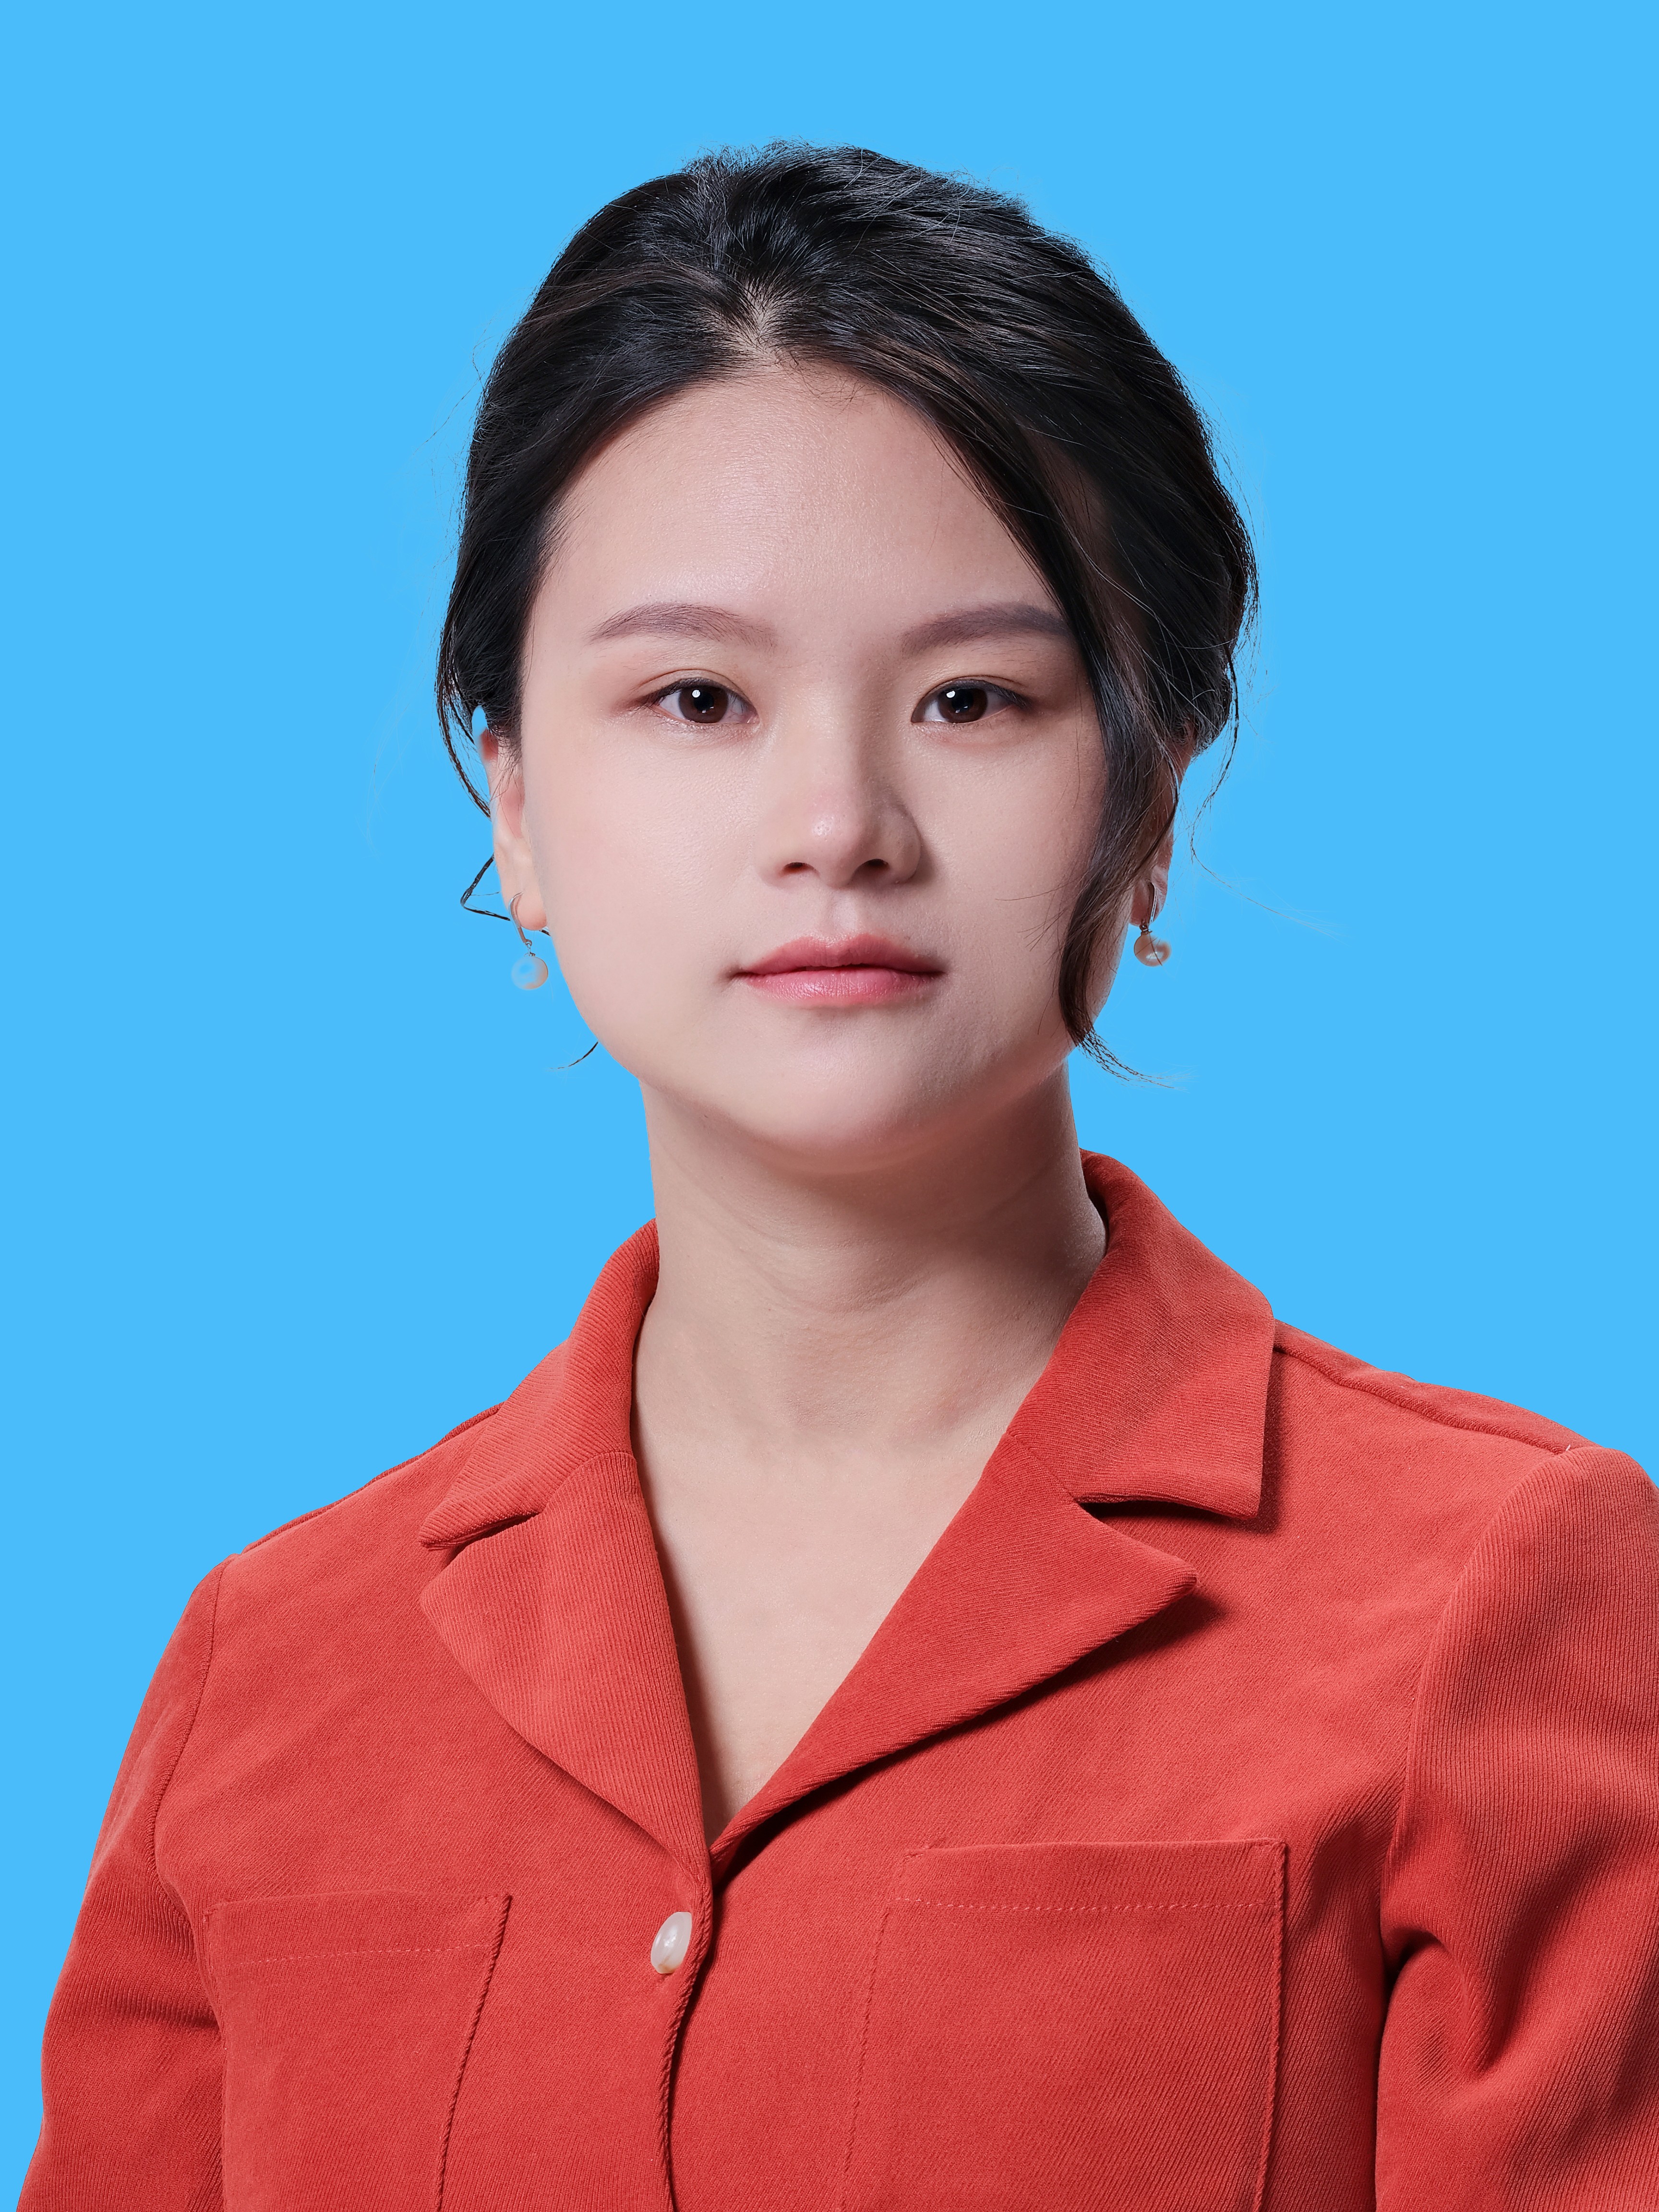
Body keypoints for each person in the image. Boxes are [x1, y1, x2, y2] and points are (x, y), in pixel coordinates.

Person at [22, 145, 1658, 2212]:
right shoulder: (268, 1668)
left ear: (1150, 800)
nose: (837, 820)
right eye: (695, 697)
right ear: (513, 799)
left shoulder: (1498, 1595)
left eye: (974, 699)